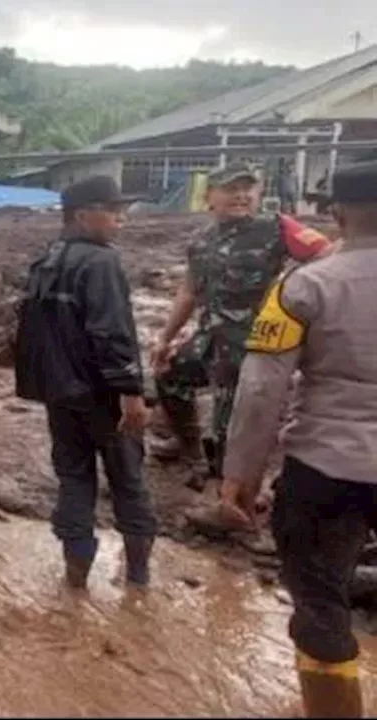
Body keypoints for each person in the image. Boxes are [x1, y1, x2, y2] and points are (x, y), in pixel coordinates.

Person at [218, 161, 377, 718]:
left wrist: (241, 475)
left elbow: (261, 390)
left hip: (327, 472)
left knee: (321, 607)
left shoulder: (303, 285)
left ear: (336, 213)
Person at [149, 162, 333, 491]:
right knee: (169, 375)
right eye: (231, 189)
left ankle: (230, 490)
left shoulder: (277, 228)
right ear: (210, 197)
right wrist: (166, 338)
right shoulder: (201, 240)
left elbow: (327, 256)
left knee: (230, 421)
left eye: (248, 189)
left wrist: (289, 290)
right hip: (211, 337)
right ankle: (189, 447)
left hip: (253, 344)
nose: (241, 195)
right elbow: (189, 291)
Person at [14, 175, 156, 589]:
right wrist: (132, 392)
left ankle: (74, 583)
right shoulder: (102, 262)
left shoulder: (46, 260)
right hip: (102, 395)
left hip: (61, 395)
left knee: (74, 481)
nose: (120, 221)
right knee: (129, 483)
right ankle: (138, 581)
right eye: (112, 212)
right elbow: (112, 333)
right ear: (82, 215)